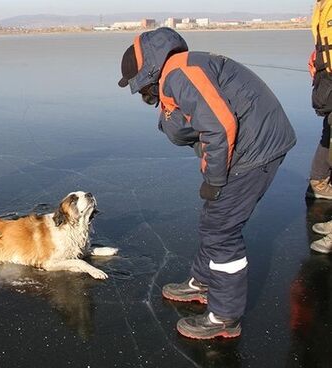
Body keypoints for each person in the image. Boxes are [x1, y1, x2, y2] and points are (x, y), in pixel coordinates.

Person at [118, 27, 296, 339]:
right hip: (255, 141)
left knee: (221, 231)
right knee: (213, 218)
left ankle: (224, 316)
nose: (146, 96)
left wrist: (215, 179)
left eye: (143, 89)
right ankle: (202, 281)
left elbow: (220, 125)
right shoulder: (181, 68)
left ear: (149, 73)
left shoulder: (179, 74)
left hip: (255, 150)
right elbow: (203, 123)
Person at [308, 0, 332, 200]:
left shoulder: (323, 6)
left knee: (330, 129)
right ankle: (319, 182)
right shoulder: (323, 7)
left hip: (326, 77)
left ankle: (318, 181)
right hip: (327, 77)